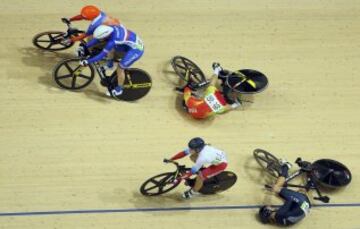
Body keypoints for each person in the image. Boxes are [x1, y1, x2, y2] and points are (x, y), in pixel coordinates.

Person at [79, 24, 144, 97]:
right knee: (110, 48)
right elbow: (97, 39)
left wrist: (87, 61)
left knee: (120, 68)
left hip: (136, 50)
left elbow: (101, 56)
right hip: (129, 43)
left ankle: (119, 89)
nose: (99, 39)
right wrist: (85, 46)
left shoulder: (113, 40)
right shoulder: (110, 29)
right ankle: (110, 64)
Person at [175, 63, 242, 119]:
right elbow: (187, 91)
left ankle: (236, 104)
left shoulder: (215, 109)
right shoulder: (189, 102)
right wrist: (187, 88)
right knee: (211, 85)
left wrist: (235, 104)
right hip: (208, 102)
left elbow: (225, 108)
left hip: (213, 107)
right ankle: (217, 69)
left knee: (222, 109)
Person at [258, 160, 311, 226]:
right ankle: (286, 166)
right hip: (301, 202)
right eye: (269, 208)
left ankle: (310, 182)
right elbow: (289, 200)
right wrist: (276, 190)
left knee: (297, 196)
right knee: (277, 187)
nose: (272, 207)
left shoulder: (280, 222)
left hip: (307, 205)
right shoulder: (279, 215)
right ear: (268, 212)